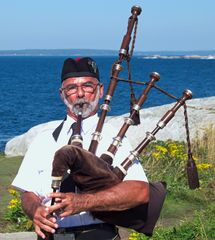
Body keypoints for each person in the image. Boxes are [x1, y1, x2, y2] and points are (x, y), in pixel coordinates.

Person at [12, 57, 149, 240]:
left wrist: (84, 202)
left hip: (98, 234)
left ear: (100, 91)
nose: (80, 94)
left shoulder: (115, 137)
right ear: (62, 94)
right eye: (71, 88)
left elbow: (140, 191)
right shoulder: (44, 139)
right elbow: (28, 193)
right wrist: (35, 210)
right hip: (51, 235)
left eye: (87, 86)